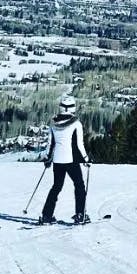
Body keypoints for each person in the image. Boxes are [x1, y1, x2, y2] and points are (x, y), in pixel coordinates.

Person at [40, 94, 91, 224]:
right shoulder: (76, 123)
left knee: (56, 187)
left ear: (61, 107)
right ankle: (80, 214)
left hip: (57, 160)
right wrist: (86, 159)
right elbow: (80, 144)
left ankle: (47, 215)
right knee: (79, 185)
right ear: (73, 107)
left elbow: (50, 144)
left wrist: (47, 158)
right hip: (71, 160)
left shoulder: (53, 123)